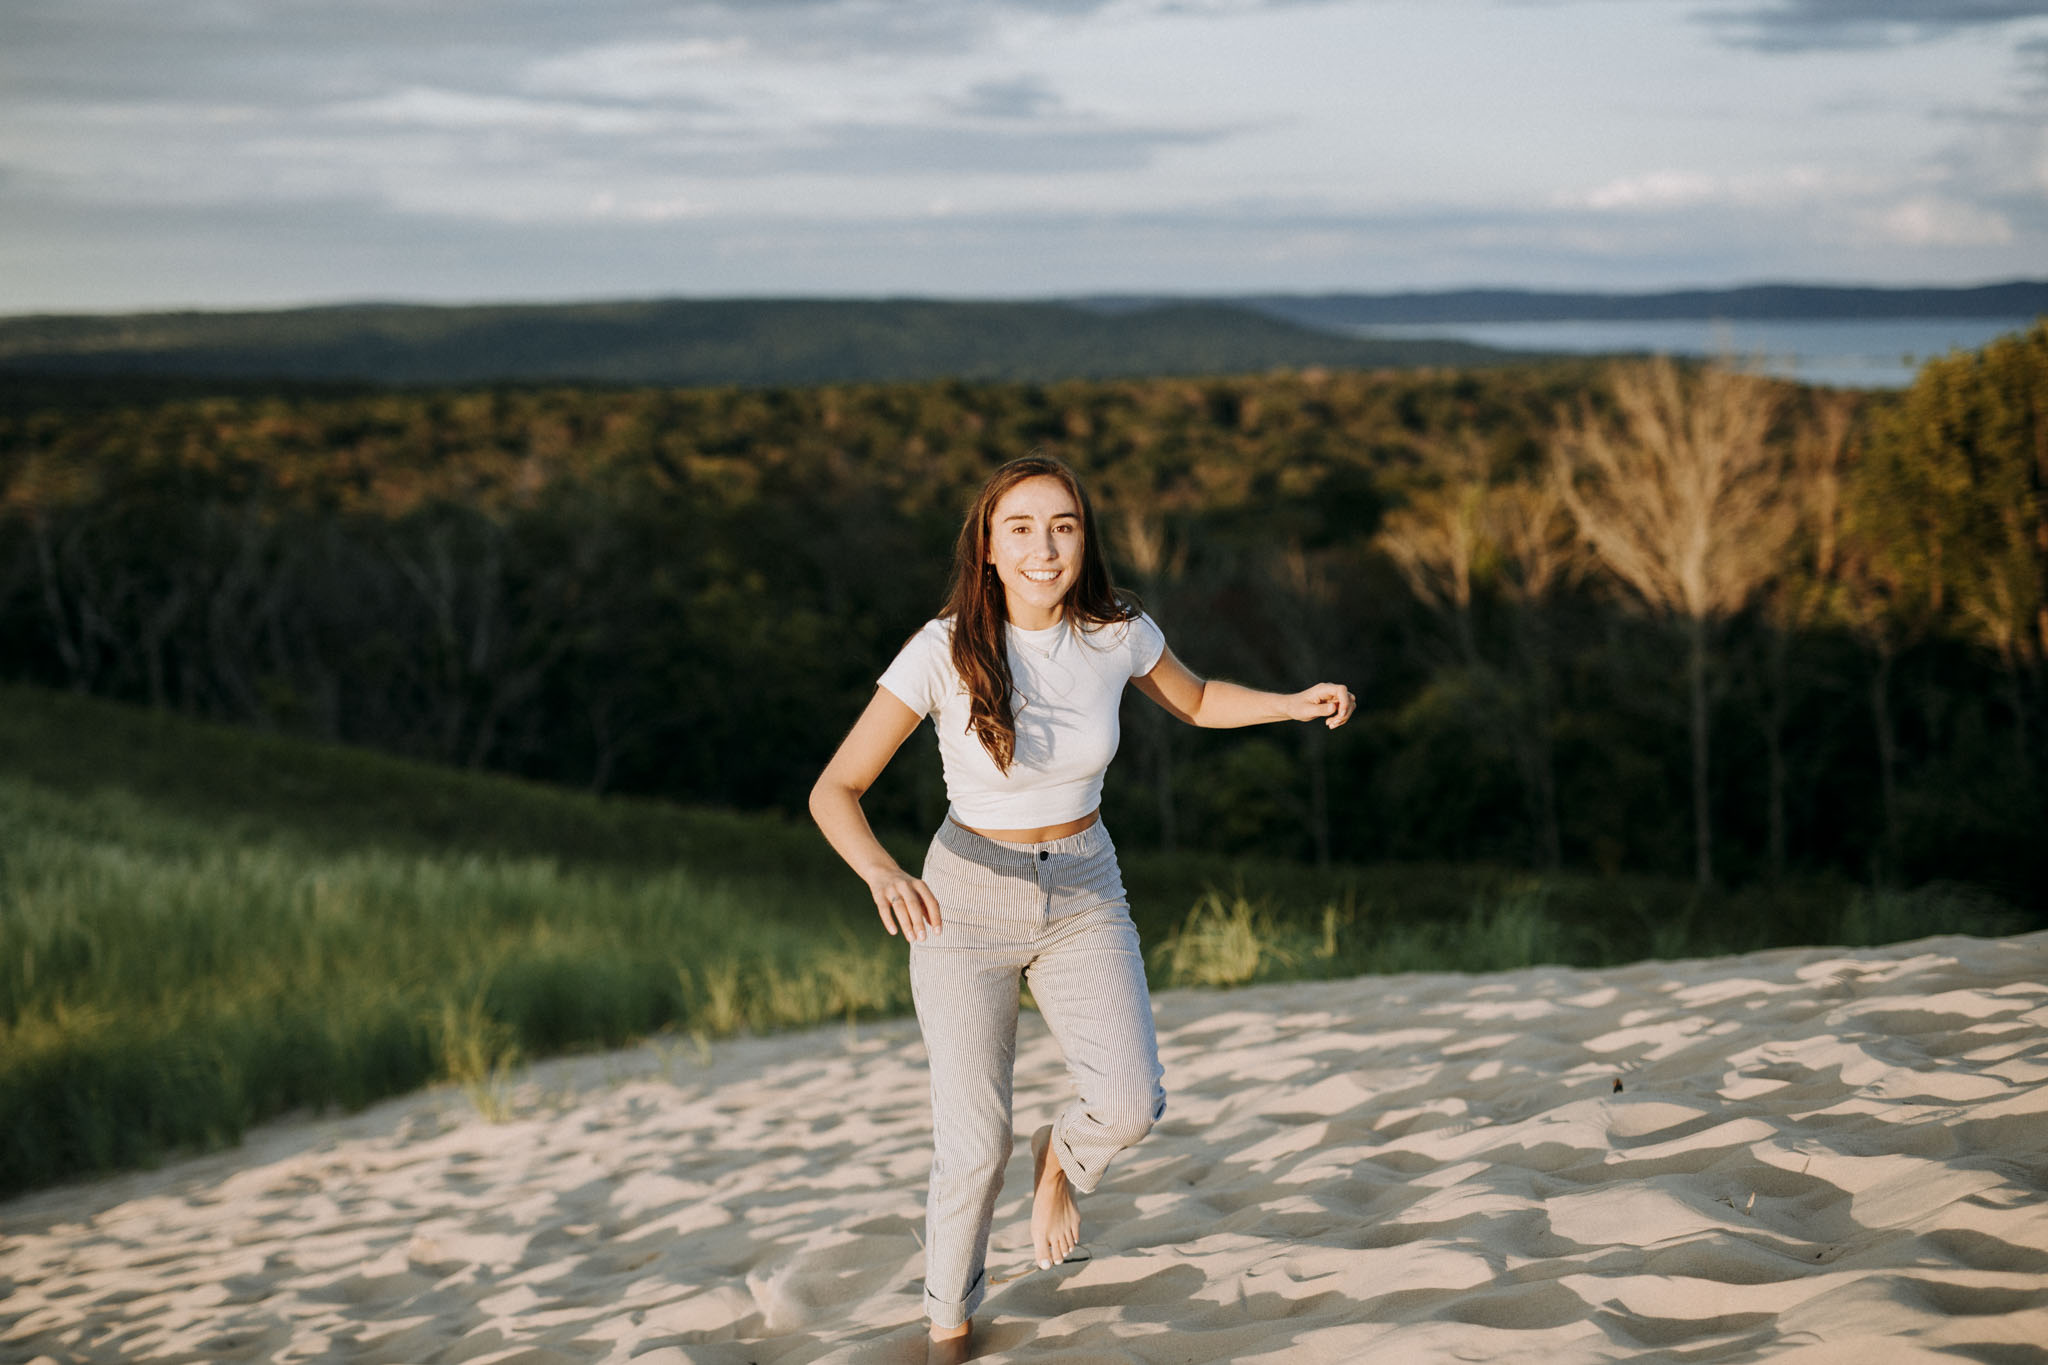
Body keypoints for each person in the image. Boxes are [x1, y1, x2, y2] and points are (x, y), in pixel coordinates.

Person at [809, 454, 1354, 1363]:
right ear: (986, 546)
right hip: (964, 899)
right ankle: (949, 1329)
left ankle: (1060, 1154)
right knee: (973, 1145)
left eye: (1062, 525)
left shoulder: (1118, 631)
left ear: (1084, 537)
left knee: (1133, 1101)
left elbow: (1199, 698)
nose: (1043, 546)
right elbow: (837, 787)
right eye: (1019, 527)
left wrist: (1291, 705)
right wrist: (881, 872)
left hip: (1085, 886)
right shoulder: (942, 649)